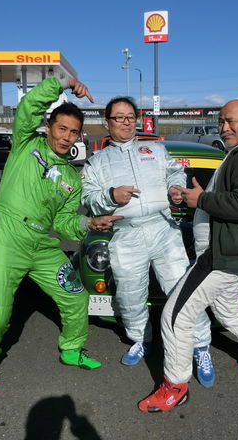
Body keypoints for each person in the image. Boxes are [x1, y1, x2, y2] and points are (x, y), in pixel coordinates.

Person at [0, 76, 121, 393]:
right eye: (62, 128)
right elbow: (29, 106)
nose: (67, 137)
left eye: (74, 132)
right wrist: (62, 83)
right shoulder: (25, 143)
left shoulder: (72, 178)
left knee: (76, 295)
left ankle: (71, 349)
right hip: (6, 236)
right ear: (49, 127)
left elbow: (64, 223)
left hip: (41, 245)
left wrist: (88, 224)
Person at [138, 100, 238, 413]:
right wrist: (198, 197)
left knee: (175, 316)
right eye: (220, 121)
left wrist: (201, 199)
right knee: (229, 311)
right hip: (228, 252)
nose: (224, 127)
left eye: (231, 121)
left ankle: (175, 386)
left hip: (221, 256)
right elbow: (232, 199)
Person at [81, 97, 215, 386]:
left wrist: (175, 188)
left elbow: (175, 172)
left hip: (163, 228)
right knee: (129, 296)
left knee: (182, 291)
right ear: (107, 122)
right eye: (119, 117)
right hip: (125, 235)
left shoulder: (154, 149)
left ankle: (201, 345)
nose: (126, 122)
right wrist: (111, 195)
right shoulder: (97, 161)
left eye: (130, 117)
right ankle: (141, 339)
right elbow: (88, 199)